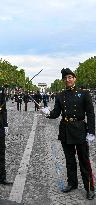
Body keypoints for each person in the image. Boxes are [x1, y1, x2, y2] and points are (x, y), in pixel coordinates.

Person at [41, 68, 95, 200]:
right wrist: (48, 113)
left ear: (74, 78)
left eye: (70, 77)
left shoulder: (84, 93)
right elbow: (56, 114)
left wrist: (91, 132)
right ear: (63, 80)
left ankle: (89, 188)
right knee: (69, 160)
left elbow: (90, 114)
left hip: (80, 130)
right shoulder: (60, 95)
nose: (68, 80)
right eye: (65, 78)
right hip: (65, 130)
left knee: (84, 161)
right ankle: (72, 183)